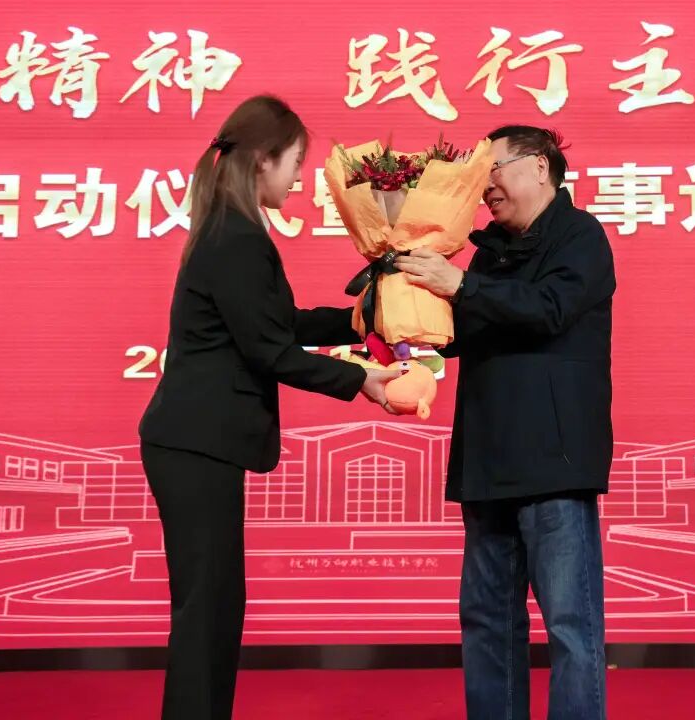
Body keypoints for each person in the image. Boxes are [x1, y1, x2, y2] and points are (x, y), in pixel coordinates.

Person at [138, 95, 399, 720]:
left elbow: (280, 323)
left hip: (199, 445)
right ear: (262, 160)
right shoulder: (235, 236)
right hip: (193, 444)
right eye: (296, 163)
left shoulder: (234, 228)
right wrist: (361, 381)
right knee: (207, 609)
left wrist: (363, 320)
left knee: (217, 606)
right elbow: (270, 350)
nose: (300, 179)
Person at [396, 125, 615, 720]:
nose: (483, 187)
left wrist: (463, 286)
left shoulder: (580, 235)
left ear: (540, 167)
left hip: (553, 463)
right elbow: (458, 334)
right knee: (487, 622)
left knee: (570, 625)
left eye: (491, 170)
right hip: (487, 461)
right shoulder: (488, 249)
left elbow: (549, 309)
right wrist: (400, 294)